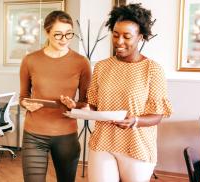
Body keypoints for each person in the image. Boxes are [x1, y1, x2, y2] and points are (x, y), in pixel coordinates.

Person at [63, 3, 173, 182]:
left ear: (141, 37)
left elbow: (157, 115)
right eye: (115, 35)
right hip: (103, 142)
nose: (119, 41)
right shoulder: (101, 67)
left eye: (127, 36)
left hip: (136, 146)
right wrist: (76, 106)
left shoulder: (153, 70)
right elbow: (94, 106)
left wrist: (135, 121)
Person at [19, 10, 91, 182]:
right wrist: (26, 104)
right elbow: (23, 96)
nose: (64, 39)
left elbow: (85, 102)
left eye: (69, 34)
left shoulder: (81, 62)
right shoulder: (30, 60)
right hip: (34, 135)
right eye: (58, 34)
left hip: (66, 135)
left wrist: (74, 105)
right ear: (47, 32)